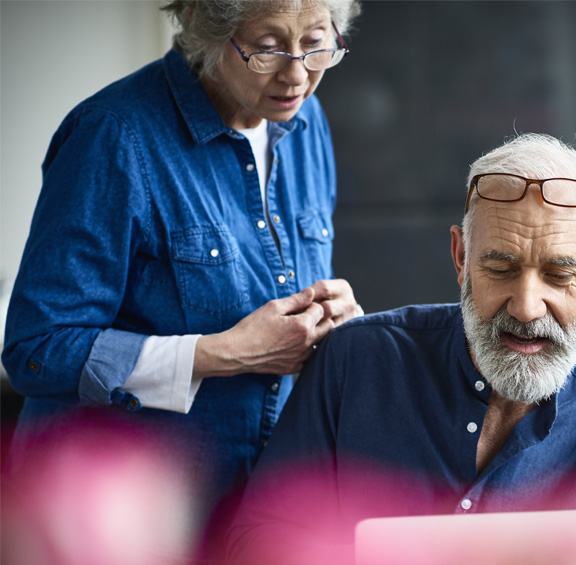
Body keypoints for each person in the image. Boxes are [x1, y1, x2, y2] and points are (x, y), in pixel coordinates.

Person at [226, 133, 576, 564]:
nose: (526, 306)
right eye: (500, 267)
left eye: (559, 274)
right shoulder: (357, 362)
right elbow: (259, 540)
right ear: (460, 259)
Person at [1, 0, 362, 550]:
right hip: (127, 525)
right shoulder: (113, 136)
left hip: (259, 512)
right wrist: (222, 354)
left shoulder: (306, 122)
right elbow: (36, 350)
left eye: (316, 44)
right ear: (200, 20)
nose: (296, 74)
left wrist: (333, 321)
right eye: (267, 48)